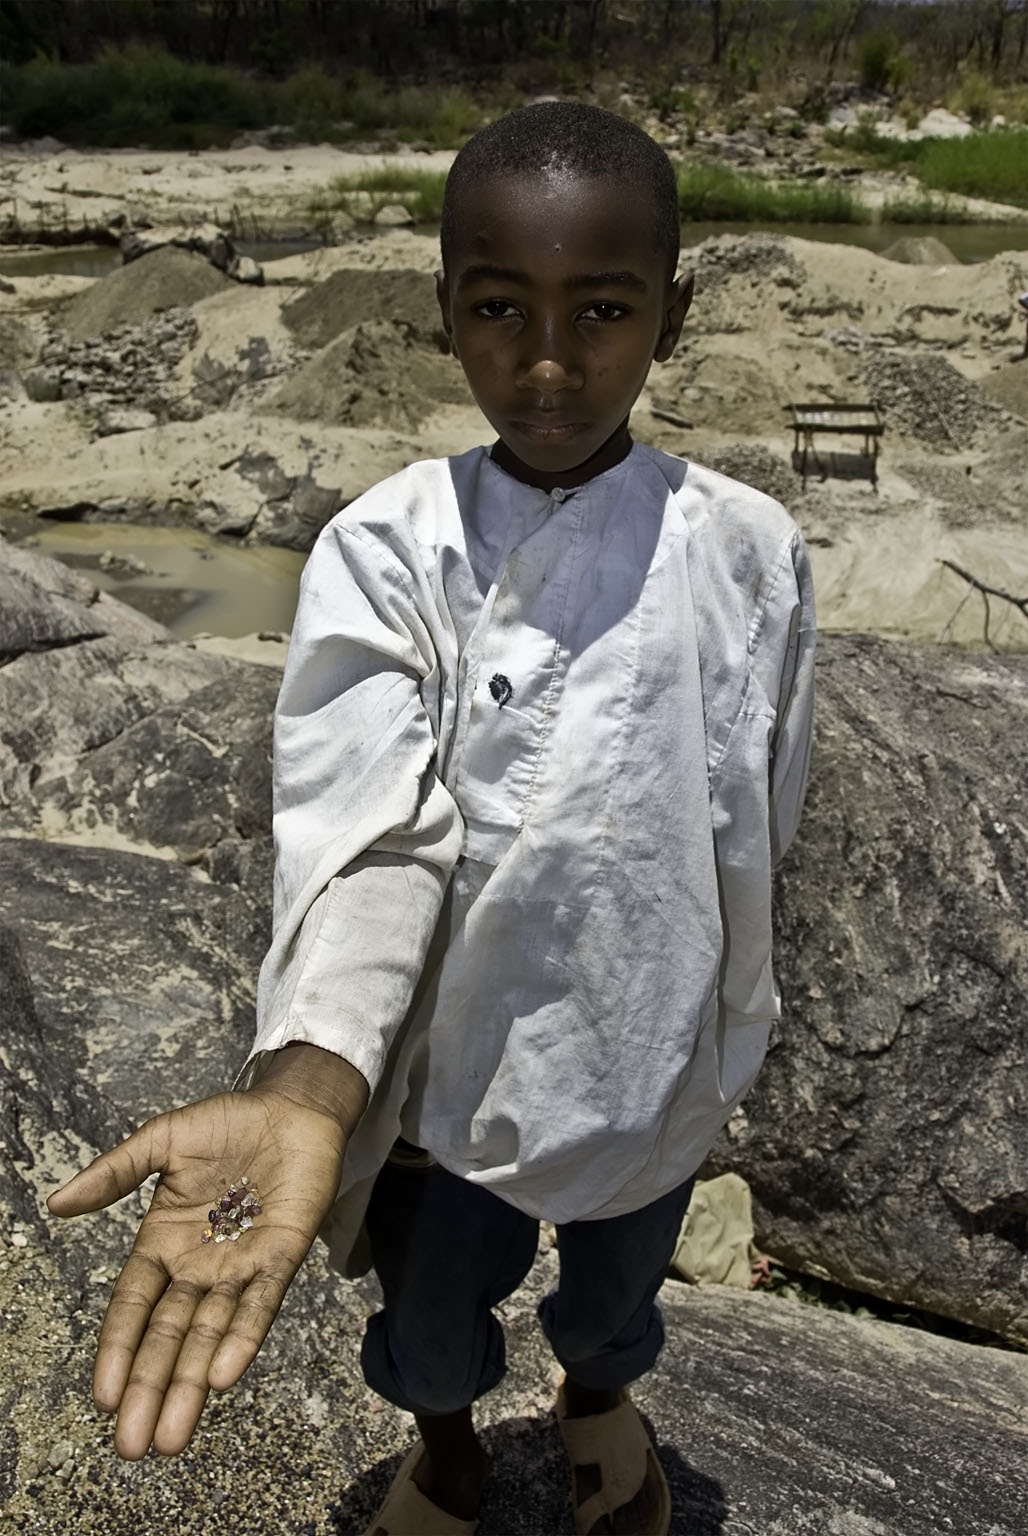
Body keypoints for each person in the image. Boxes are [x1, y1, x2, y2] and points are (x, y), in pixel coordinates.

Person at [47, 102, 815, 1536]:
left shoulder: (750, 549)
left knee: (613, 1294)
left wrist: (730, 1036)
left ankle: (597, 1400)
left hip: (646, 1058)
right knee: (435, 1309)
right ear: (441, 308)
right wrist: (306, 1095)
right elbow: (368, 836)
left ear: (674, 313)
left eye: (601, 310)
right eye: (496, 309)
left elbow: (754, 821)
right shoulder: (388, 547)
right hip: (438, 1092)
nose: (544, 361)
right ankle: (448, 1437)